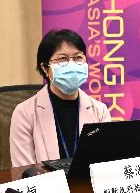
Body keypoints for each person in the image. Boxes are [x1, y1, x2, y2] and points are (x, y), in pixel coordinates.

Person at [9, 29, 111, 167]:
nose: (72, 65)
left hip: (87, 186)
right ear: (45, 68)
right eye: (62, 59)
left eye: (78, 58)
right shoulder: (24, 113)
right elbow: (24, 172)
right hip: (46, 187)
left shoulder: (100, 111)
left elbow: (105, 164)